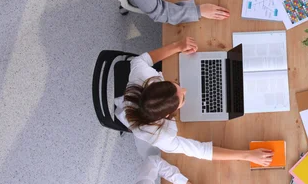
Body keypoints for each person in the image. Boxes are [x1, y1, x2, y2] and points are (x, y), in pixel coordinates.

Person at [114, 36, 273, 166]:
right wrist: (247, 156)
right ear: (169, 115)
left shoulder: (141, 77)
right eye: (182, 98)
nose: (185, 90)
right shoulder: (161, 137)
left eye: (176, 86)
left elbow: (141, 60)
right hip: (134, 119)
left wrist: (178, 46)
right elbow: (201, 150)